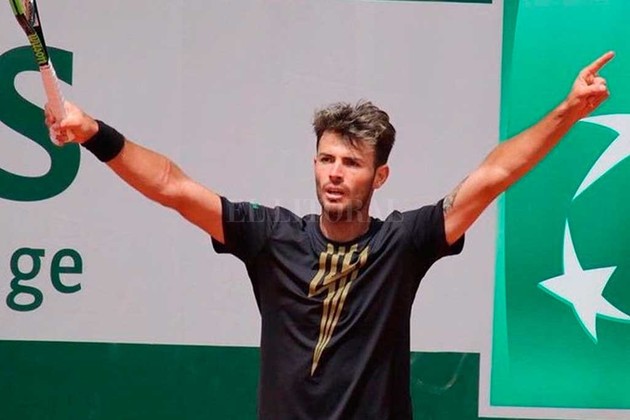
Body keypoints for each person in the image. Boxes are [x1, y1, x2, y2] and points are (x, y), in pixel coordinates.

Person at [45, 51, 613, 419]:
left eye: (351, 162)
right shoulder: (270, 237)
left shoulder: (404, 243)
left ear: (379, 176)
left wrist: (567, 111)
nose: (335, 173)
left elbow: (494, 175)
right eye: (326, 159)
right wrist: (94, 132)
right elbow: (172, 185)